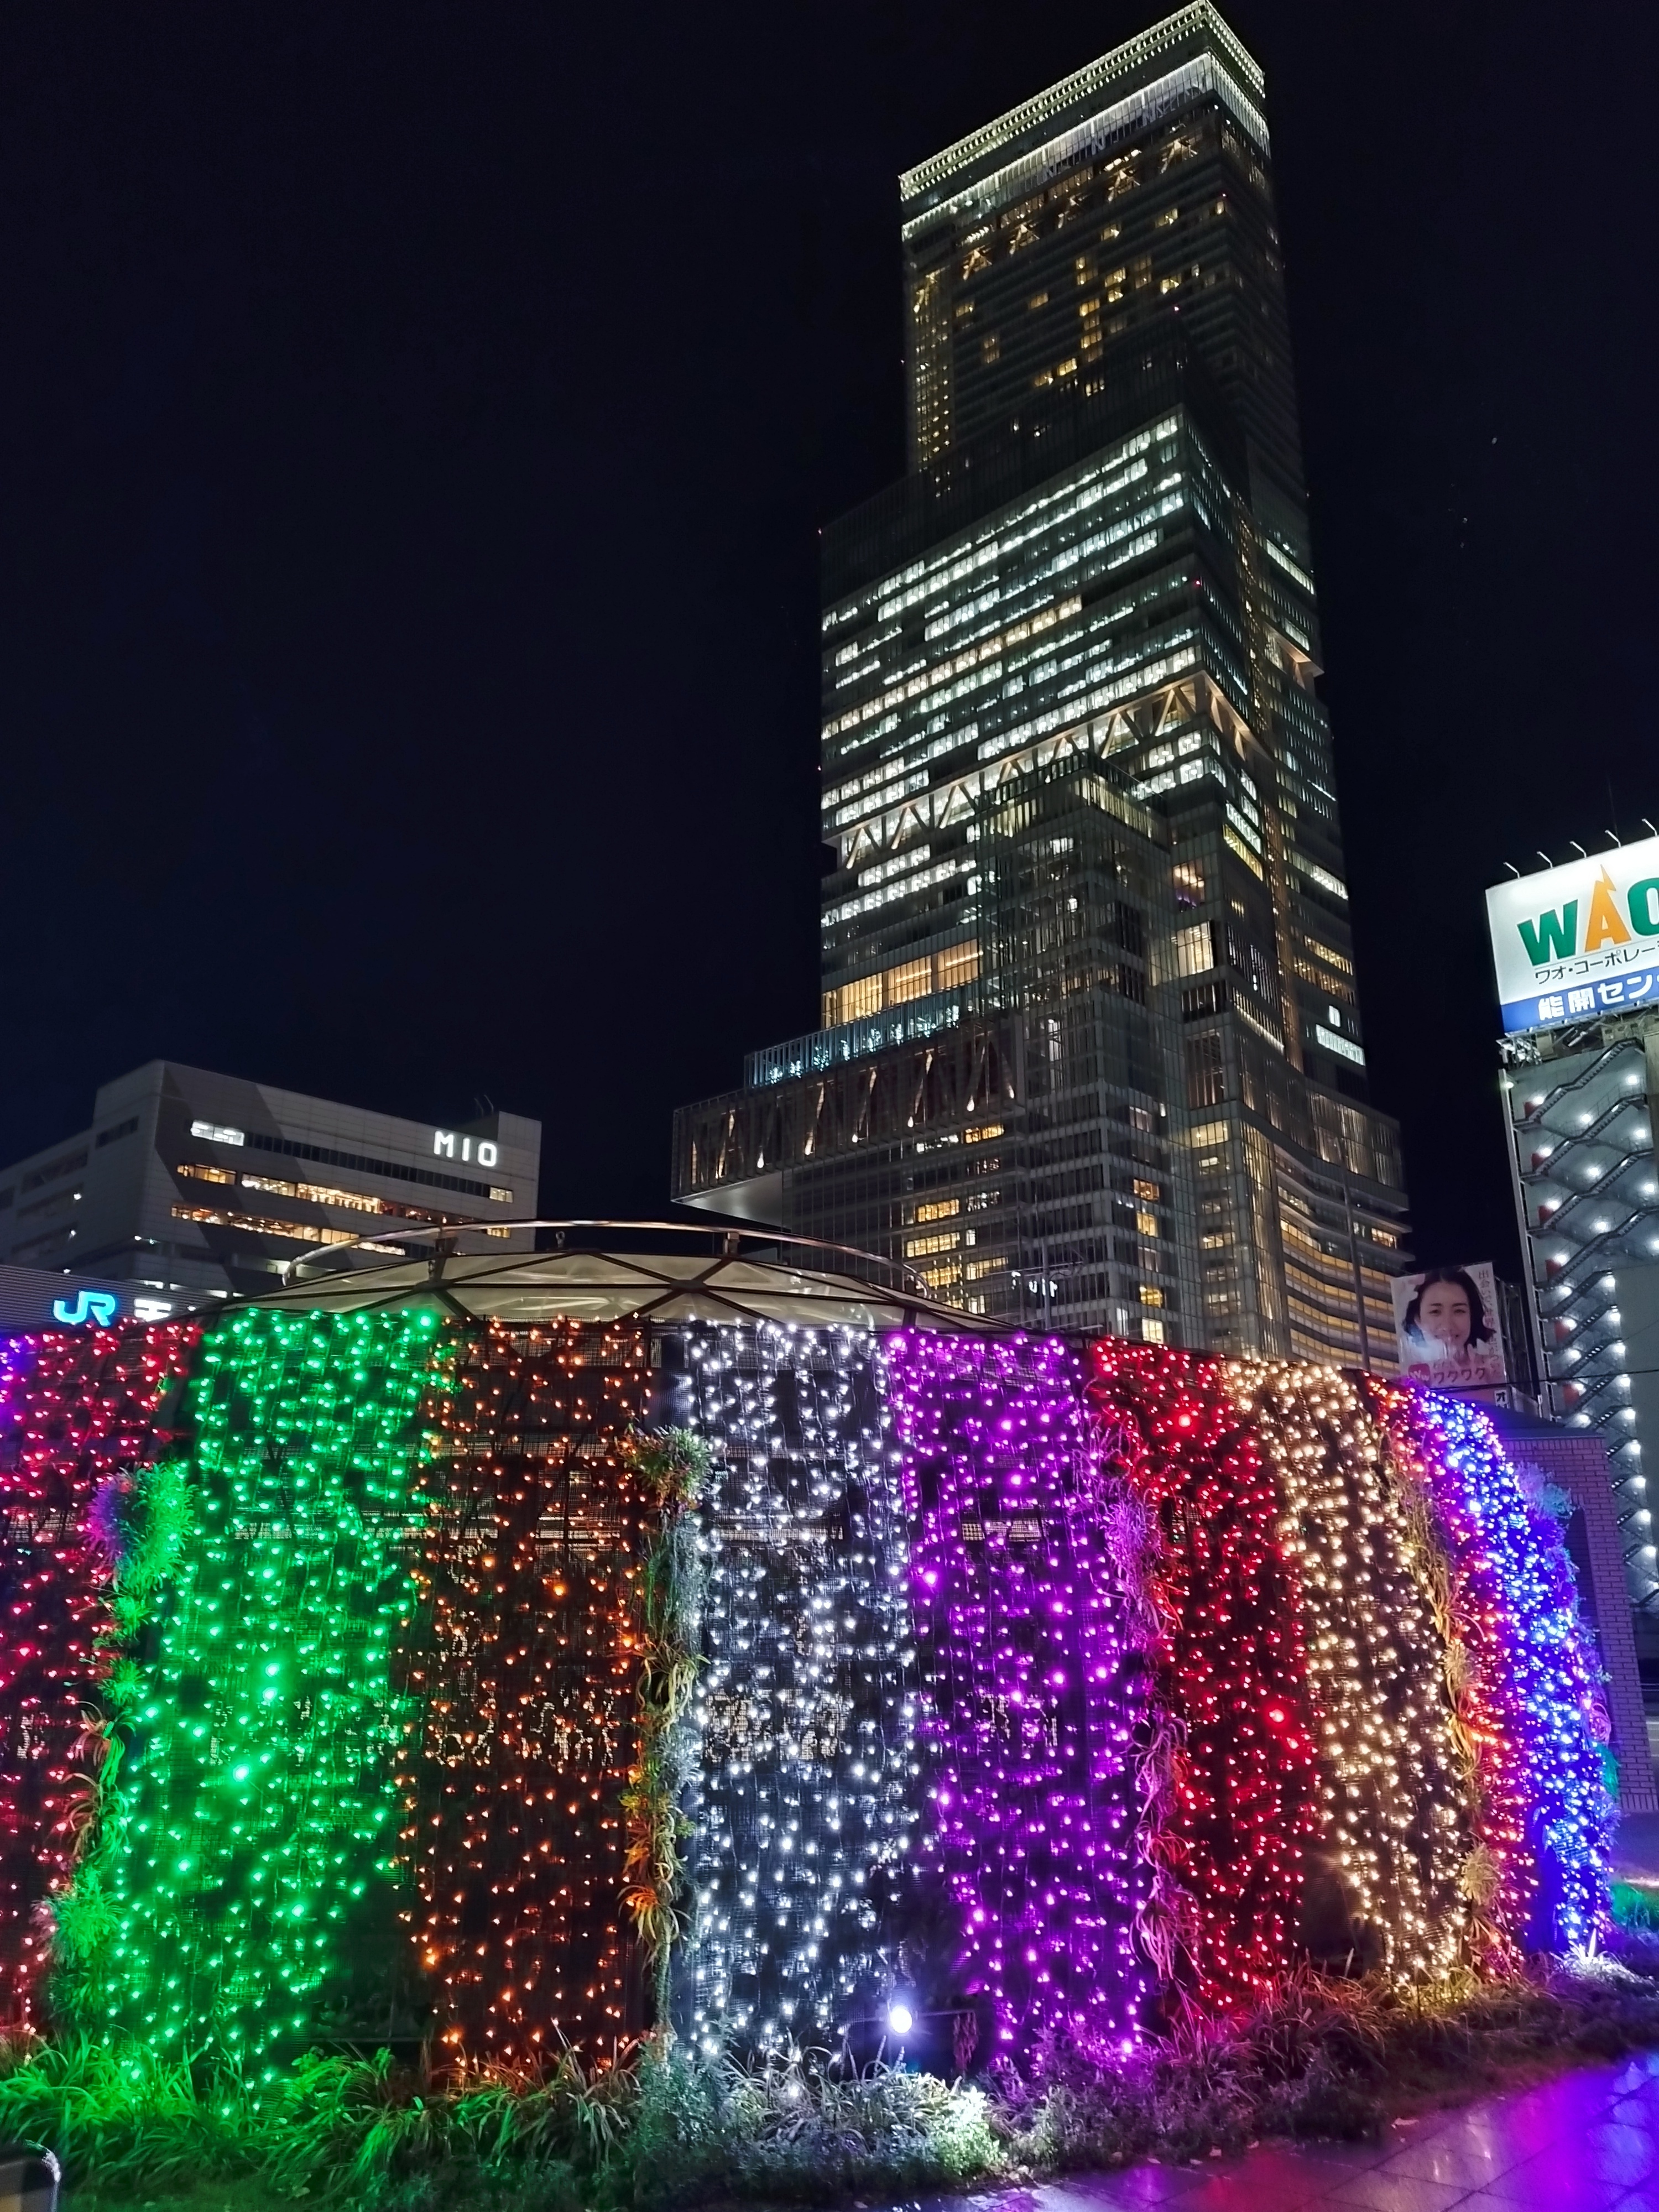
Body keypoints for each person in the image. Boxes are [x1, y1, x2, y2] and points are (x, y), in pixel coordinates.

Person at [1399, 1266, 1505, 1387]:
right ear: (1417, 1319)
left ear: (1472, 1315)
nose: (1447, 1325)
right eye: (1435, 1312)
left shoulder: (1495, 1371)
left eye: (1459, 1311)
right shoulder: (1408, 1382)